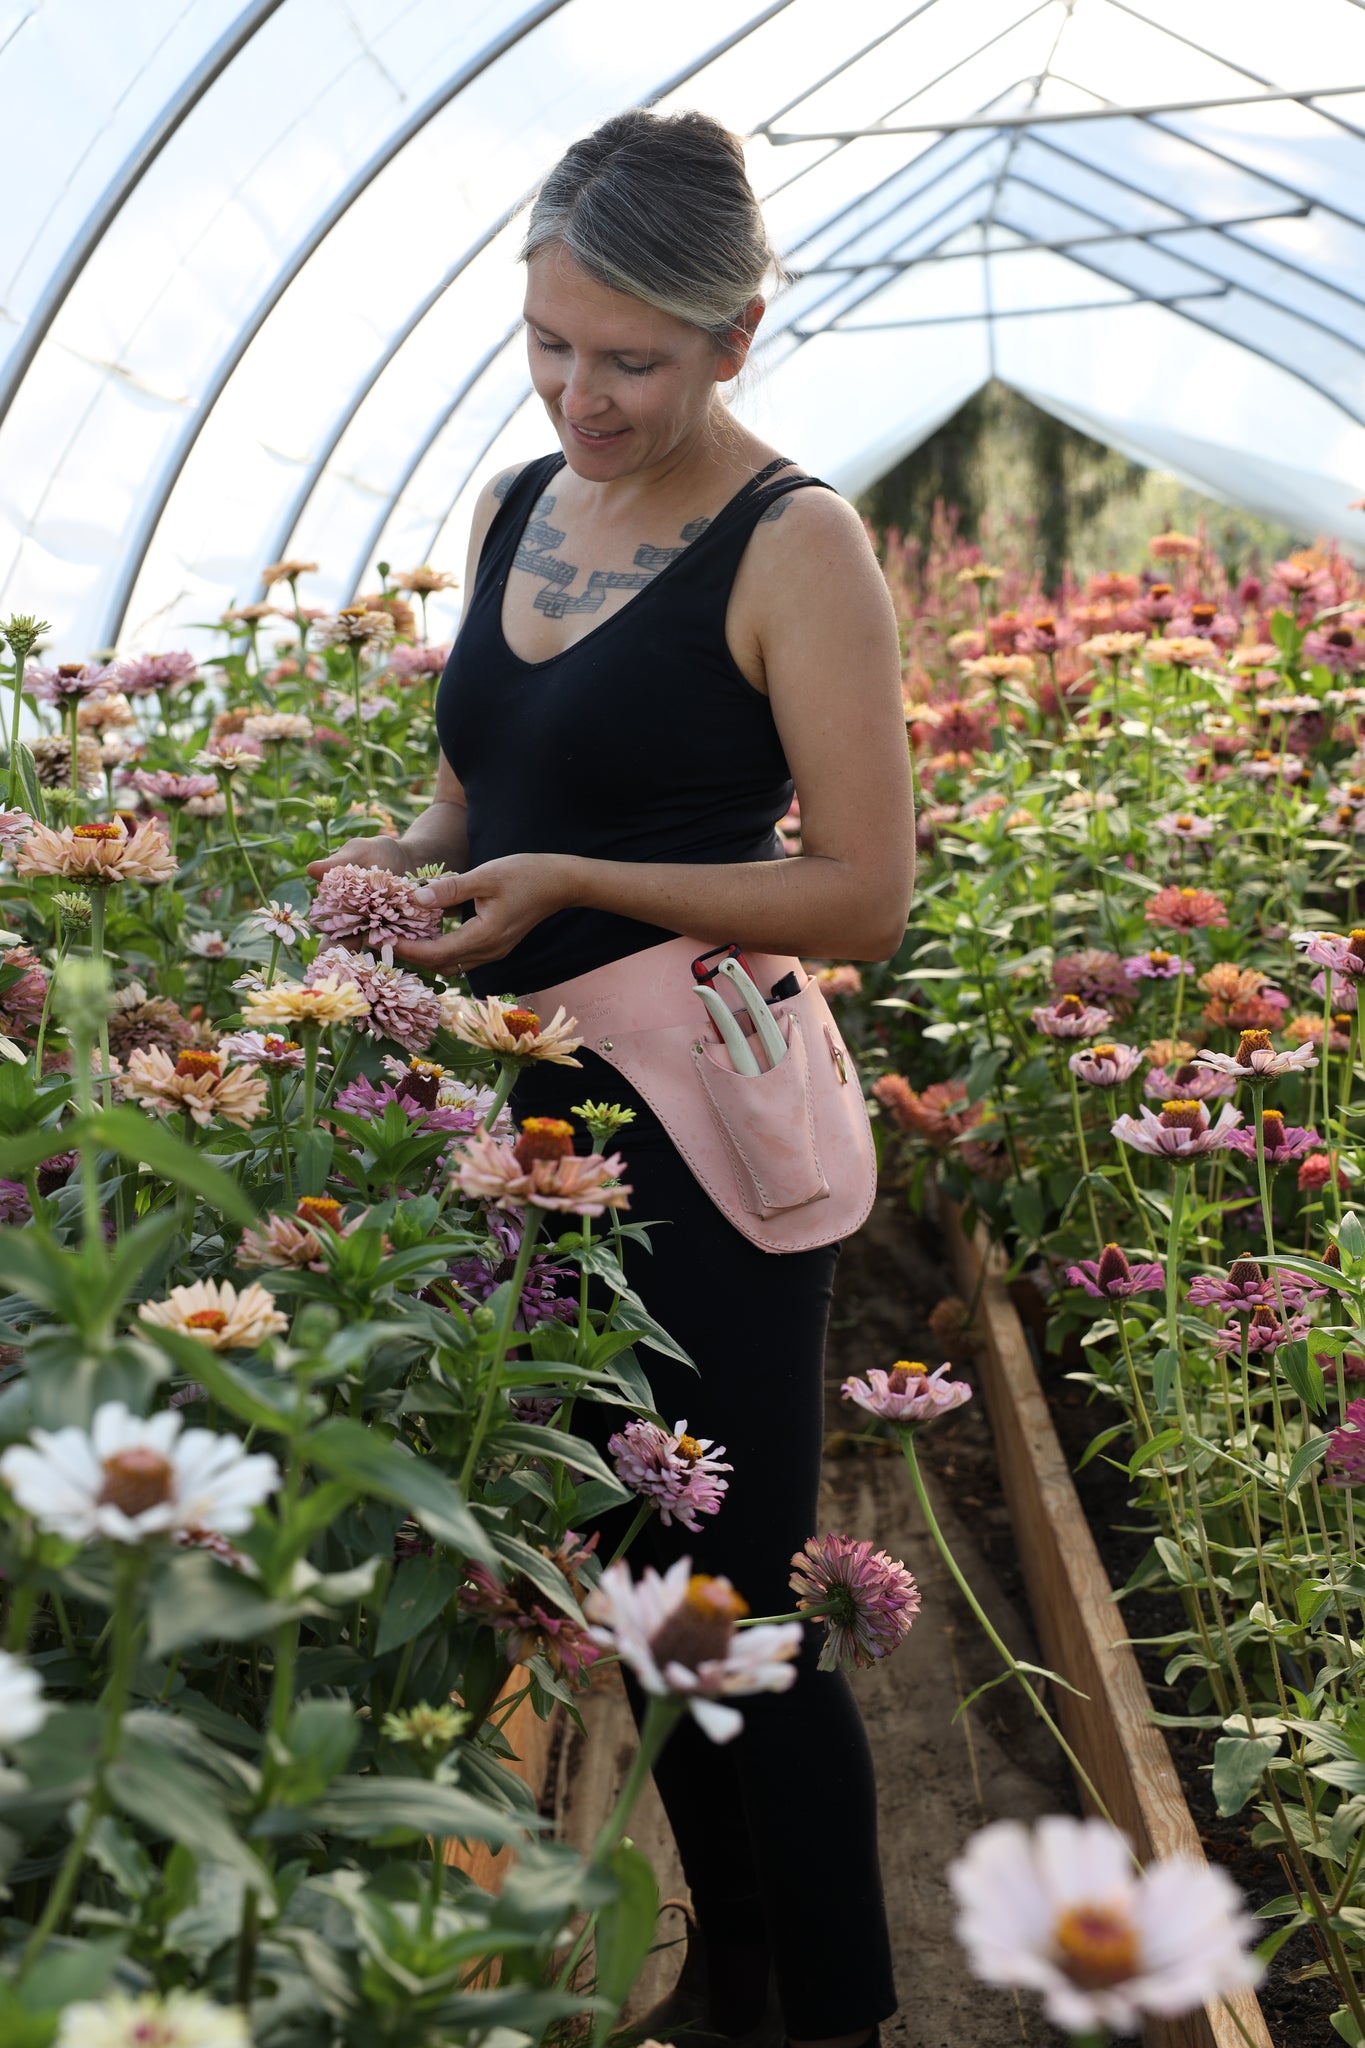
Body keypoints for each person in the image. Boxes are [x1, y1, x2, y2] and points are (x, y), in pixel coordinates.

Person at [308, 107, 914, 2048]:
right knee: (608, 1585)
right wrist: (393, 872)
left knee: (732, 1604)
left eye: (632, 359)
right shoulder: (511, 508)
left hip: (701, 1135)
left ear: (736, 336)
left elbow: (864, 890)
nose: (581, 392)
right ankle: (718, 1979)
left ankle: (826, 2009)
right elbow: (477, 796)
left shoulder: (791, 541)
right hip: (522, 1124)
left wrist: (574, 888)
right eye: (549, 344)